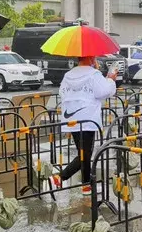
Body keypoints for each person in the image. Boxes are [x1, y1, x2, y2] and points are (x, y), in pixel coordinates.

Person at [49, 56, 117, 195]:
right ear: (91, 58)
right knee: (85, 154)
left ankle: (86, 186)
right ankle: (59, 177)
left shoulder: (68, 75)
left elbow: (62, 93)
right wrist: (110, 79)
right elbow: (104, 92)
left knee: (83, 152)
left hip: (72, 117)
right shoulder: (93, 74)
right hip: (88, 118)